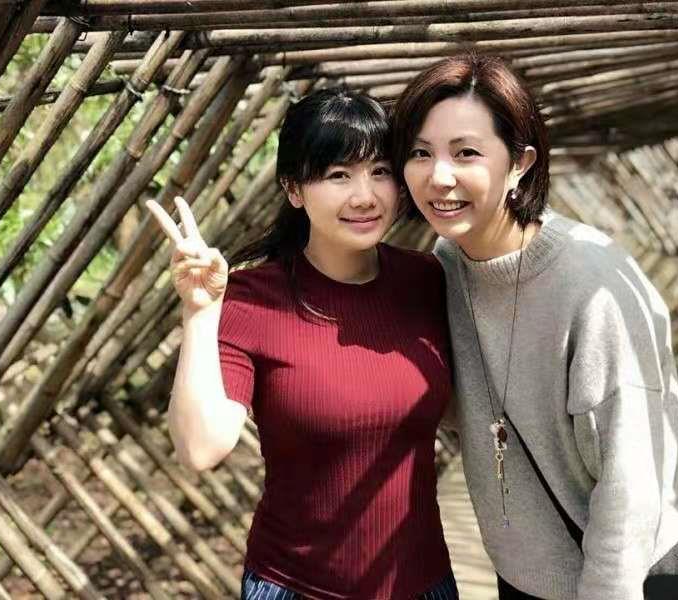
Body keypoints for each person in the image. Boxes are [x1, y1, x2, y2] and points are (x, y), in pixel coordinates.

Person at [390, 53, 678, 600]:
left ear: (520, 163)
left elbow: (632, 487)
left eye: (466, 152)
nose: (439, 176)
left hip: (624, 580)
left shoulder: (593, 287)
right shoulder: (448, 263)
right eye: (420, 153)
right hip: (521, 575)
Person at [146, 88, 459, 600]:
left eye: (380, 171)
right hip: (297, 586)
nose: (365, 196)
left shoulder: (427, 280)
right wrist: (200, 313)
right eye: (338, 175)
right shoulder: (252, 300)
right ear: (294, 189)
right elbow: (201, 448)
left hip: (423, 583)